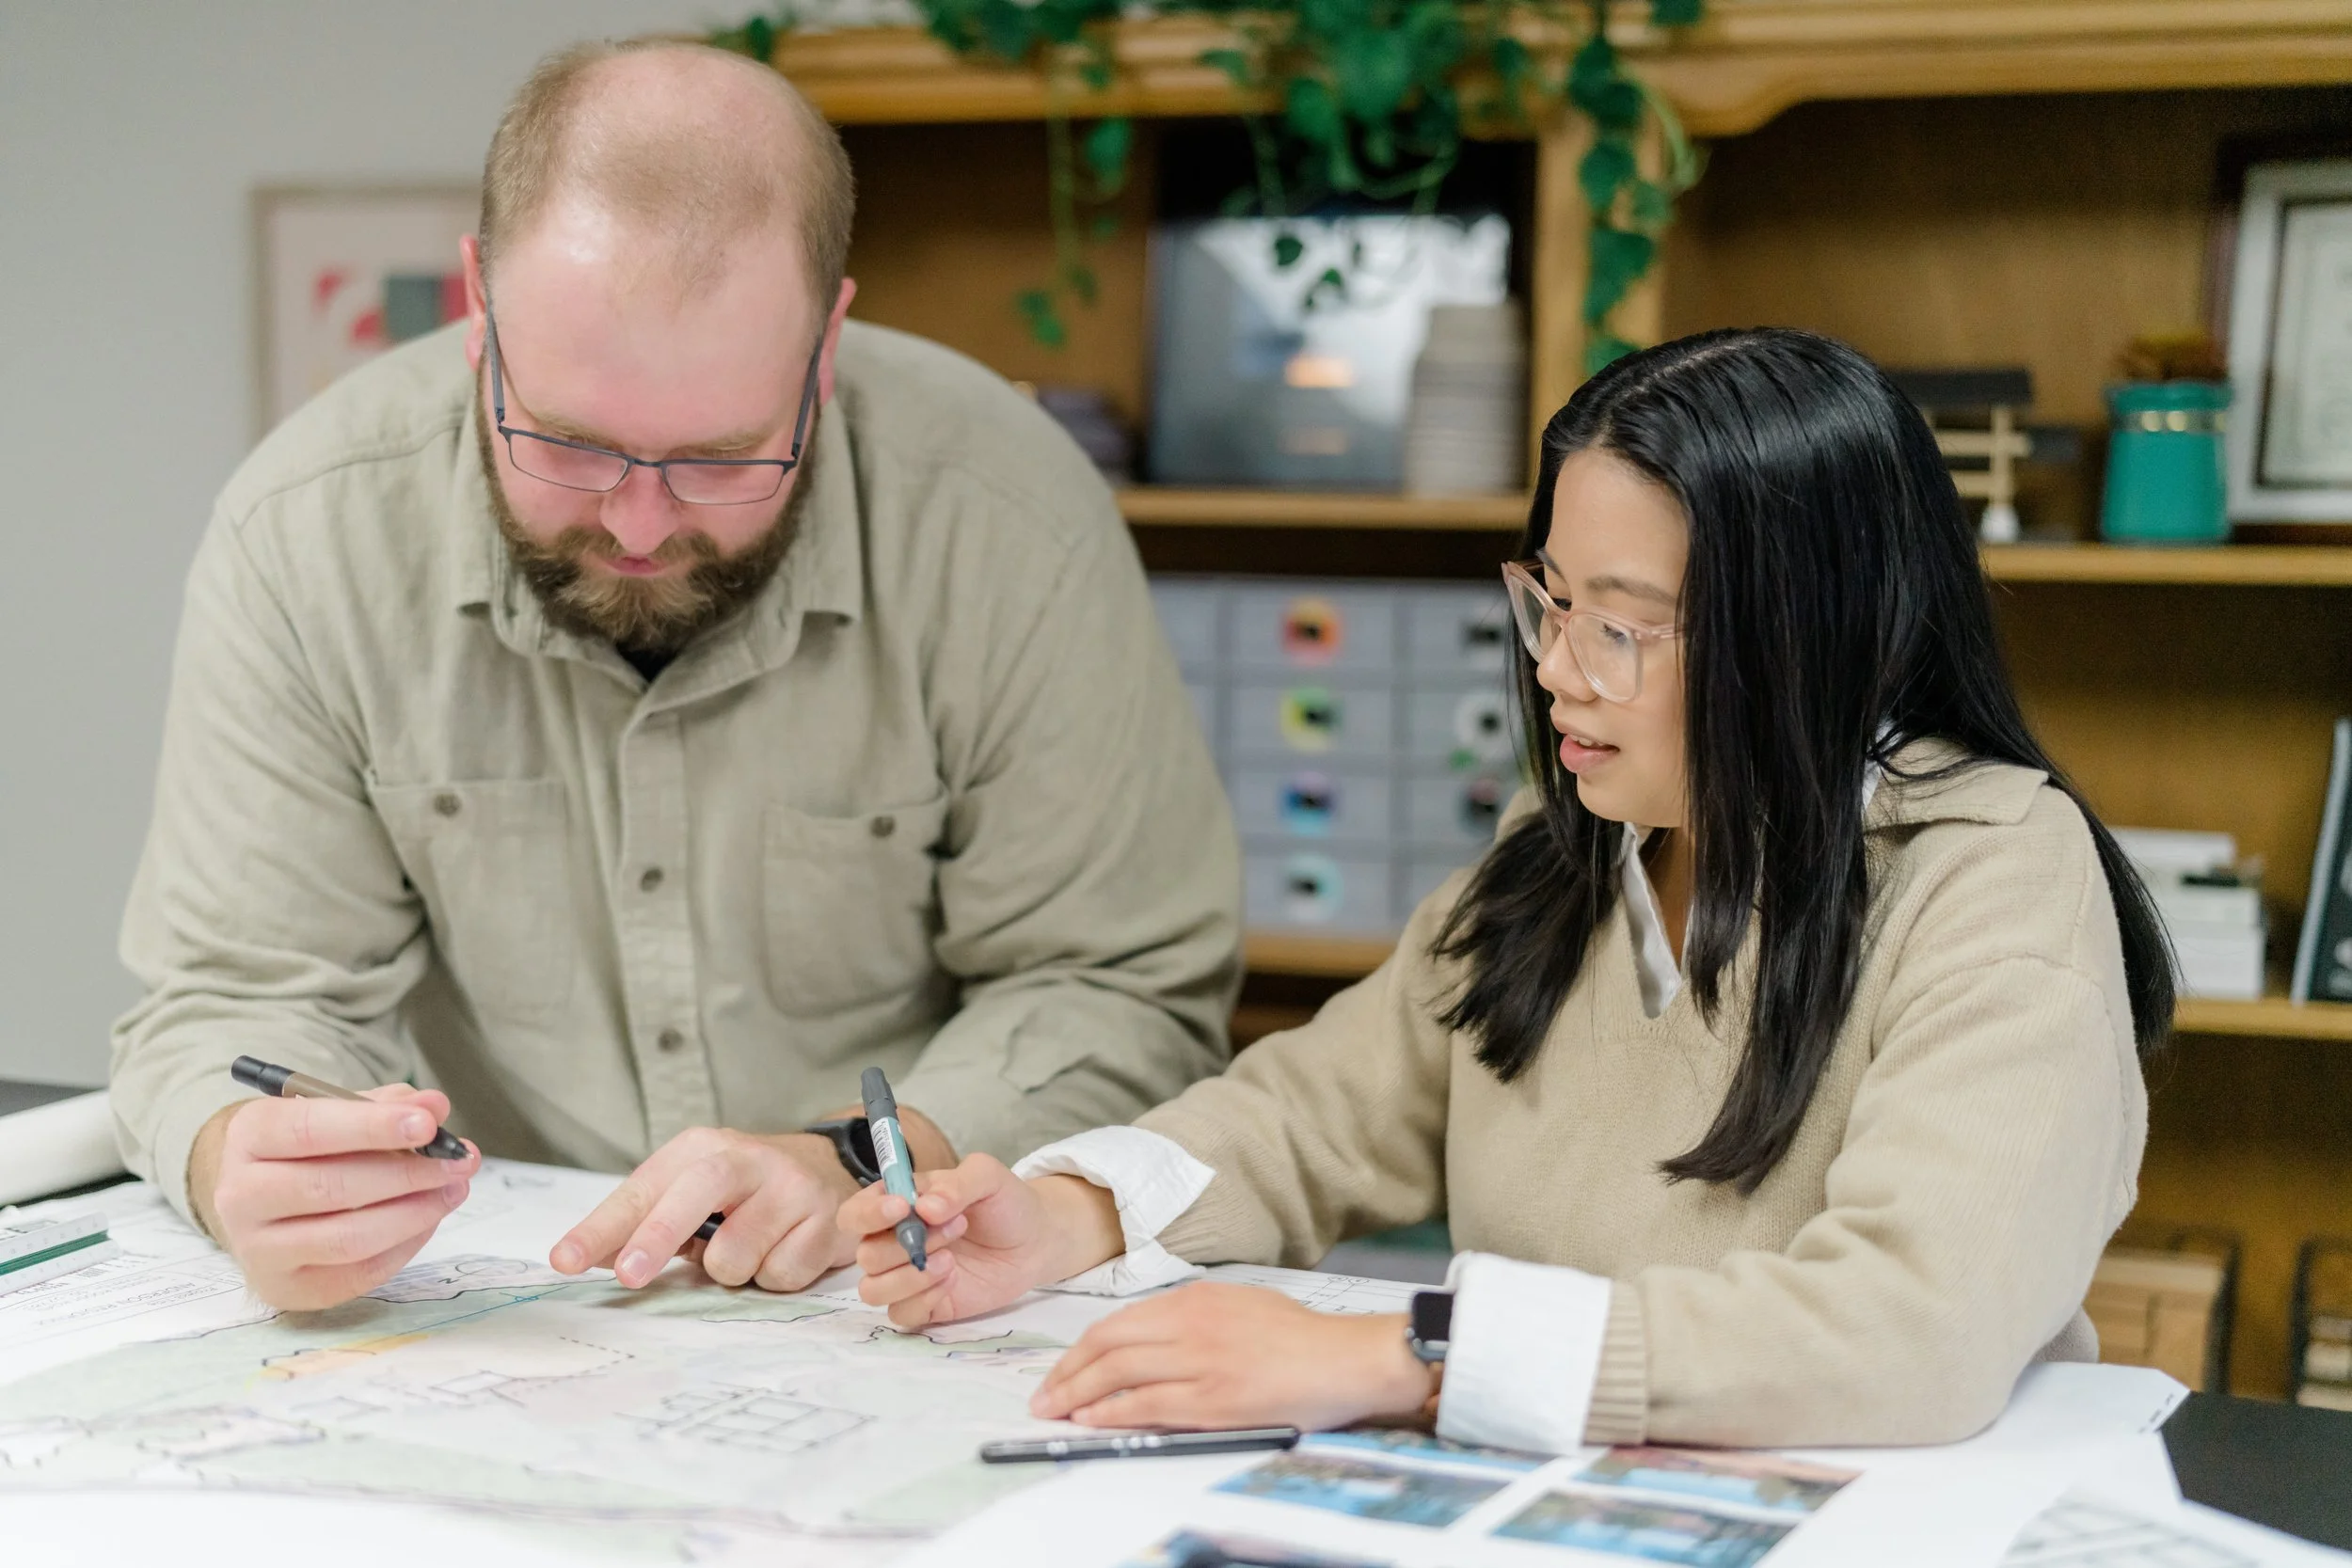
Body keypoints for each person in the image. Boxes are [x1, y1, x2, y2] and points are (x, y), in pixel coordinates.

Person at [840, 327, 2174, 1452]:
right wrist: (1062, 1217)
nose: (1557, 670)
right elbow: (1318, 1111)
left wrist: (1408, 1356)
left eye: (1621, 625)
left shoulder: (1994, 879)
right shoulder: (1581, 840)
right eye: (1547, 600)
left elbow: (1907, 1324)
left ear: (1811, 632)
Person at [108, 40, 1239, 1312]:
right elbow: (236, 999)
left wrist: (861, 1155)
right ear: (478, 308)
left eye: (720, 457)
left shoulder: (1007, 520)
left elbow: (1119, 987)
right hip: (502, 1294)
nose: (641, 524)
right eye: (571, 445)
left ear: (826, 347)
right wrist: (238, 1158)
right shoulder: (306, 533)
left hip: (897, 1277)